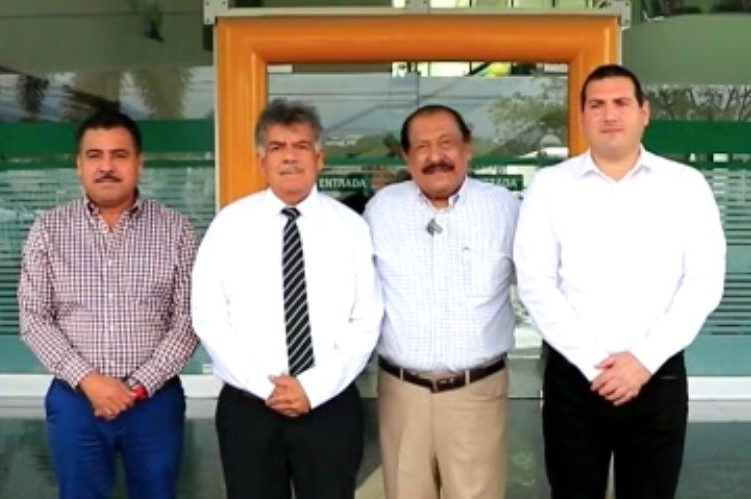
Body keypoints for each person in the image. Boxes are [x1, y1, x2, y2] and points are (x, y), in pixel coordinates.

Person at [513, 64, 726, 499]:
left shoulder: (685, 186)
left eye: (621, 103)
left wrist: (642, 361)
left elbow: (703, 281)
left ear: (644, 112)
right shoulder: (550, 187)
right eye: (597, 105)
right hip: (574, 378)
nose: (609, 114)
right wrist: (595, 364)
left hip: (657, 374)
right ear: (581, 116)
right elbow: (536, 283)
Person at [191, 99, 383, 499]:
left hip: (329, 404)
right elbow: (209, 316)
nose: (290, 157)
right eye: (277, 147)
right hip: (250, 407)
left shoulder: (351, 228)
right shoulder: (229, 225)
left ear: (319, 158)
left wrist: (312, 387)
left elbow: (366, 319)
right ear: (261, 160)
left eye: (301, 146)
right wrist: (267, 389)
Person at [17, 110, 199, 499]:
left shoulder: (175, 229)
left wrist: (137, 387)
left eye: (119, 155)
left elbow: (188, 320)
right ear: (78, 165)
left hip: (154, 401)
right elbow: (34, 318)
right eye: (94, 155)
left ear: (139, 162)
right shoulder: (48, 229)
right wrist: (90, 381)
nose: (106, 167)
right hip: (76, 400)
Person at [364, 104, 519, 499]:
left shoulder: (504, 208)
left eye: (446, 143)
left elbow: (540, 285)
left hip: (476, 394)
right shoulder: (381, 210)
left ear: (468, 147)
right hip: (402, 395)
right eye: (422, 147)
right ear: (406, 156)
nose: (435, 157)